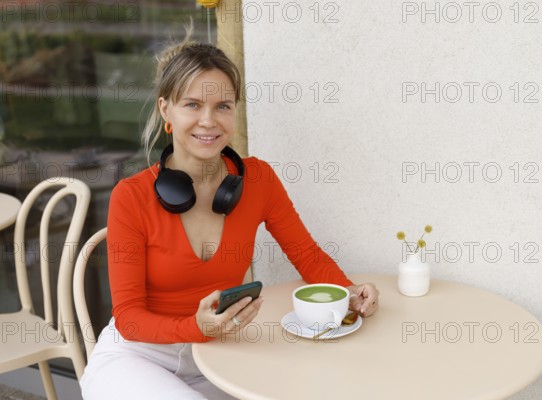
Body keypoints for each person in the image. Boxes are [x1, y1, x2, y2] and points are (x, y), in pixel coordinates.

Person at [80, 28, 379, 400]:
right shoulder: (131, 196)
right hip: (138, 357)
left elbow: (306, 254)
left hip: (220, 355)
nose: (209, 121)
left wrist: (346, 291)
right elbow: (129, 318)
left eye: (222, 106)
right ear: (165, 110)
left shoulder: (258, 179)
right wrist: (195, 326)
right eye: (192, 105)